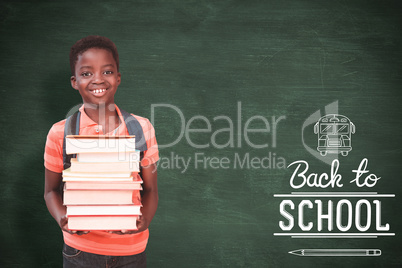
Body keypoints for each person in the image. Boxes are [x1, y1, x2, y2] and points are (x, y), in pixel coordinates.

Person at [44, 35, 159, 267]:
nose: (98, 80)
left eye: (107, 72)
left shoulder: (141, 128)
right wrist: (62, 218)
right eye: (87, 73)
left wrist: (144, 219)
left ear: (118, 78)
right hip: (80, 252)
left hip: (131, 252)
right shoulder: (60, 133)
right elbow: (50, 191)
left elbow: (151, 190)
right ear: (74, 81)